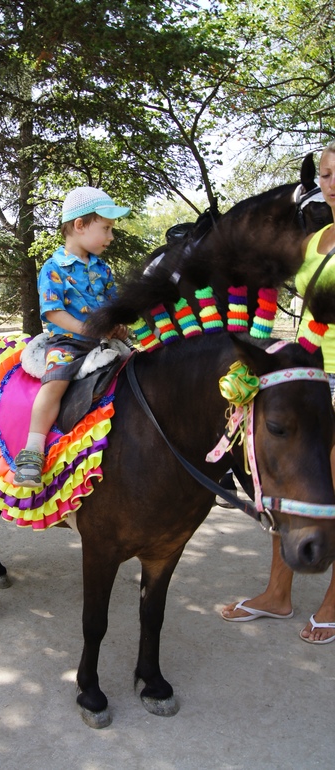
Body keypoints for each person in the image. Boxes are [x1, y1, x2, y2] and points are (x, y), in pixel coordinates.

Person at [221, 141, 335, 643]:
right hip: (304, 372)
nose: (331, 182)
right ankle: (277, 594)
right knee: (285, 481)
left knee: (330, 489)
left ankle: (333, 602)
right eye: (326, 173)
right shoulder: (317, 240)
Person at [13, 186, 131, 488]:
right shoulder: (53, 268)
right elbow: (53, 313)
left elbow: (113, 307)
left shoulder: (103, 269)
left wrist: (119, 325)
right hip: (68, 342)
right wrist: (90, 328)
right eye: (106, 228)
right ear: (80, 225)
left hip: (104, 342)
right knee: (56, 382)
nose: (110, 237)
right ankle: (32, 450)